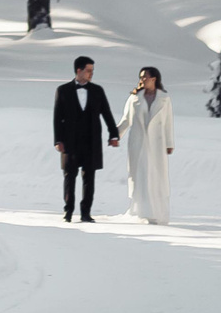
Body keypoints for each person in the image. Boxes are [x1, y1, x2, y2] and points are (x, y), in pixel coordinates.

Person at [51, 55, 118, 222]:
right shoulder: (63, 90)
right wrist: (58, 140)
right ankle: (68, 210)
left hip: (91, 141)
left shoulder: (97, 90)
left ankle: (86, 212)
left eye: (92, 71)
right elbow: (57, 117)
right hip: (70, 141)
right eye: (88, 70)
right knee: (69, 176)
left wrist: (113, 134)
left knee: (89, 177)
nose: (91, 74)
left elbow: (107, 113)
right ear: (78, 70)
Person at [119, 64, 175, 223]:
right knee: (140, 175)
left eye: (145, 77)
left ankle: (156, 212)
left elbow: (168, 122)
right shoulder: (134, 97)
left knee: (156, 175)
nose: (142, 80)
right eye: (141, 77)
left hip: (157, 143)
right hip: (138, 142)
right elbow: (126, 119)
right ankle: (140, 212)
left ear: (154, 79)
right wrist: (116, 135)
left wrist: (169, 143)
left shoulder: (164, 98)